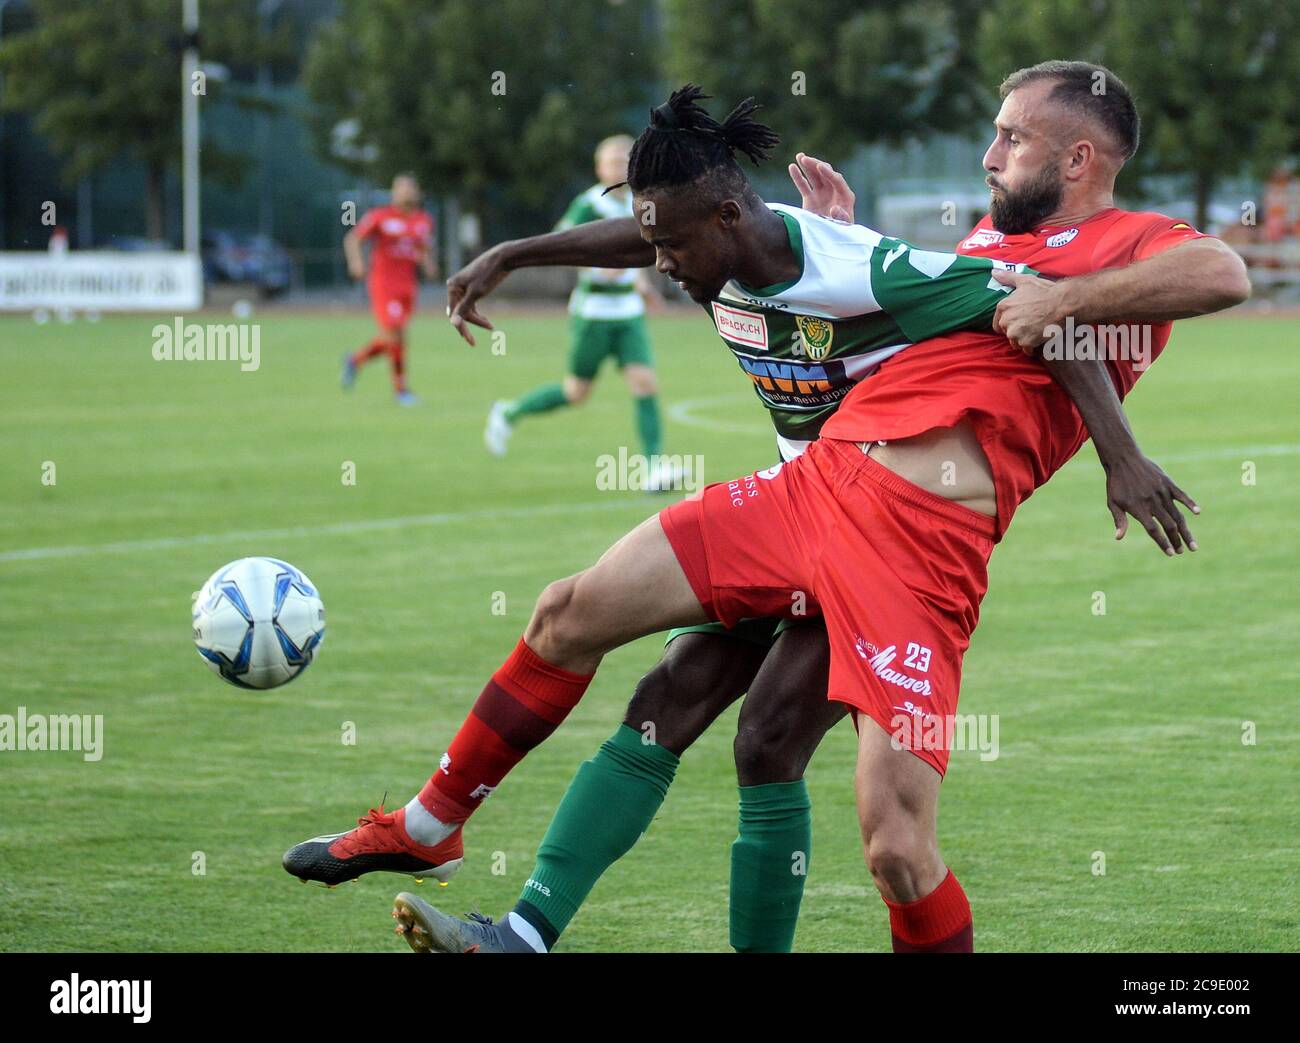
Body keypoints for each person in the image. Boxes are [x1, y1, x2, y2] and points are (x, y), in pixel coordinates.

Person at [296, 68, 1250, 953]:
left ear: (1078, 159)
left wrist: (1087, 362)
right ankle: (433, 833)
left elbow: (1221, 276)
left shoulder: (1123, 243)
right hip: (813, 488)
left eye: (1010, 137)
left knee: (892, 844)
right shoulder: (985, 242)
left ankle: (512, 909)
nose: (989, 154)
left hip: (921, 550)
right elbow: (703, 237)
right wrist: (520, 252)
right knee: (570, 614)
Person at [483, 136, 674, 487]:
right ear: (599, 167)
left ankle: (653, 469)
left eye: (625, 161)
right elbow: (562, 244)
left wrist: (644, 287)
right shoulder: (588, 206)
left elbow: (640, 254)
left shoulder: (642, 204)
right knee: (576, 393)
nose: (619, 167)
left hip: (627, 313)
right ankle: (509, 412)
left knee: (645, 383)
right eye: (612, 161)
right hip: (594, 313)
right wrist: (602, 268)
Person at [341, 173, 437, 405]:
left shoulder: (423, 220)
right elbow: (352, 239)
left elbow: (423, 248)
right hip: (384, 284)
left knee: (397, 338)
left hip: (407, 287)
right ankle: (401, 390)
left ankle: (355, 360)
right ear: (393, 192)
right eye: (399, 188)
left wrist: (429, 265)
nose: (404, 192)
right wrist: (356, 262)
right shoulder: (379, 216)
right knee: (393, 333)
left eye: (409, 188)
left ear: (417, 193)